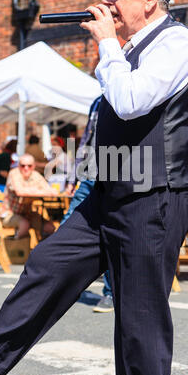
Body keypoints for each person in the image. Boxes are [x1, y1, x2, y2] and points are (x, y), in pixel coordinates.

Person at [0, 0, 188, 375]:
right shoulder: (127, 49)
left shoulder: (175, 43)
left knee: (139, 314)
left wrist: (107, 45)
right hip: (110, 188)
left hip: (155, 193)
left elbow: (129, 102)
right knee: (49, 262)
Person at [62, 96, 114, 313]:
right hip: (89, 174)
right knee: (67, 224)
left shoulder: (129, 94)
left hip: (115, 175)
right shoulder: (98, 101)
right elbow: (86, 141)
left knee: (111, 234)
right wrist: (73, 178)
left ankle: (111, 293)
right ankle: (58, 281)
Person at [1, 153, 57, 239]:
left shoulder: (35, 175)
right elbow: (20, 192)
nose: (26, 168)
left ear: (34, 166)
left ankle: (43, 250)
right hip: (9, 214)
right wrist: (38, 190)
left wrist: (30, 190)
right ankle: (17, 250)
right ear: (18, 166)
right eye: (23, 166)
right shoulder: (14, 173)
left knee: (50, 227)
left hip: (27, 214)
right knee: (25, 224)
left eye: (29, 166)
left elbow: (52, 192)